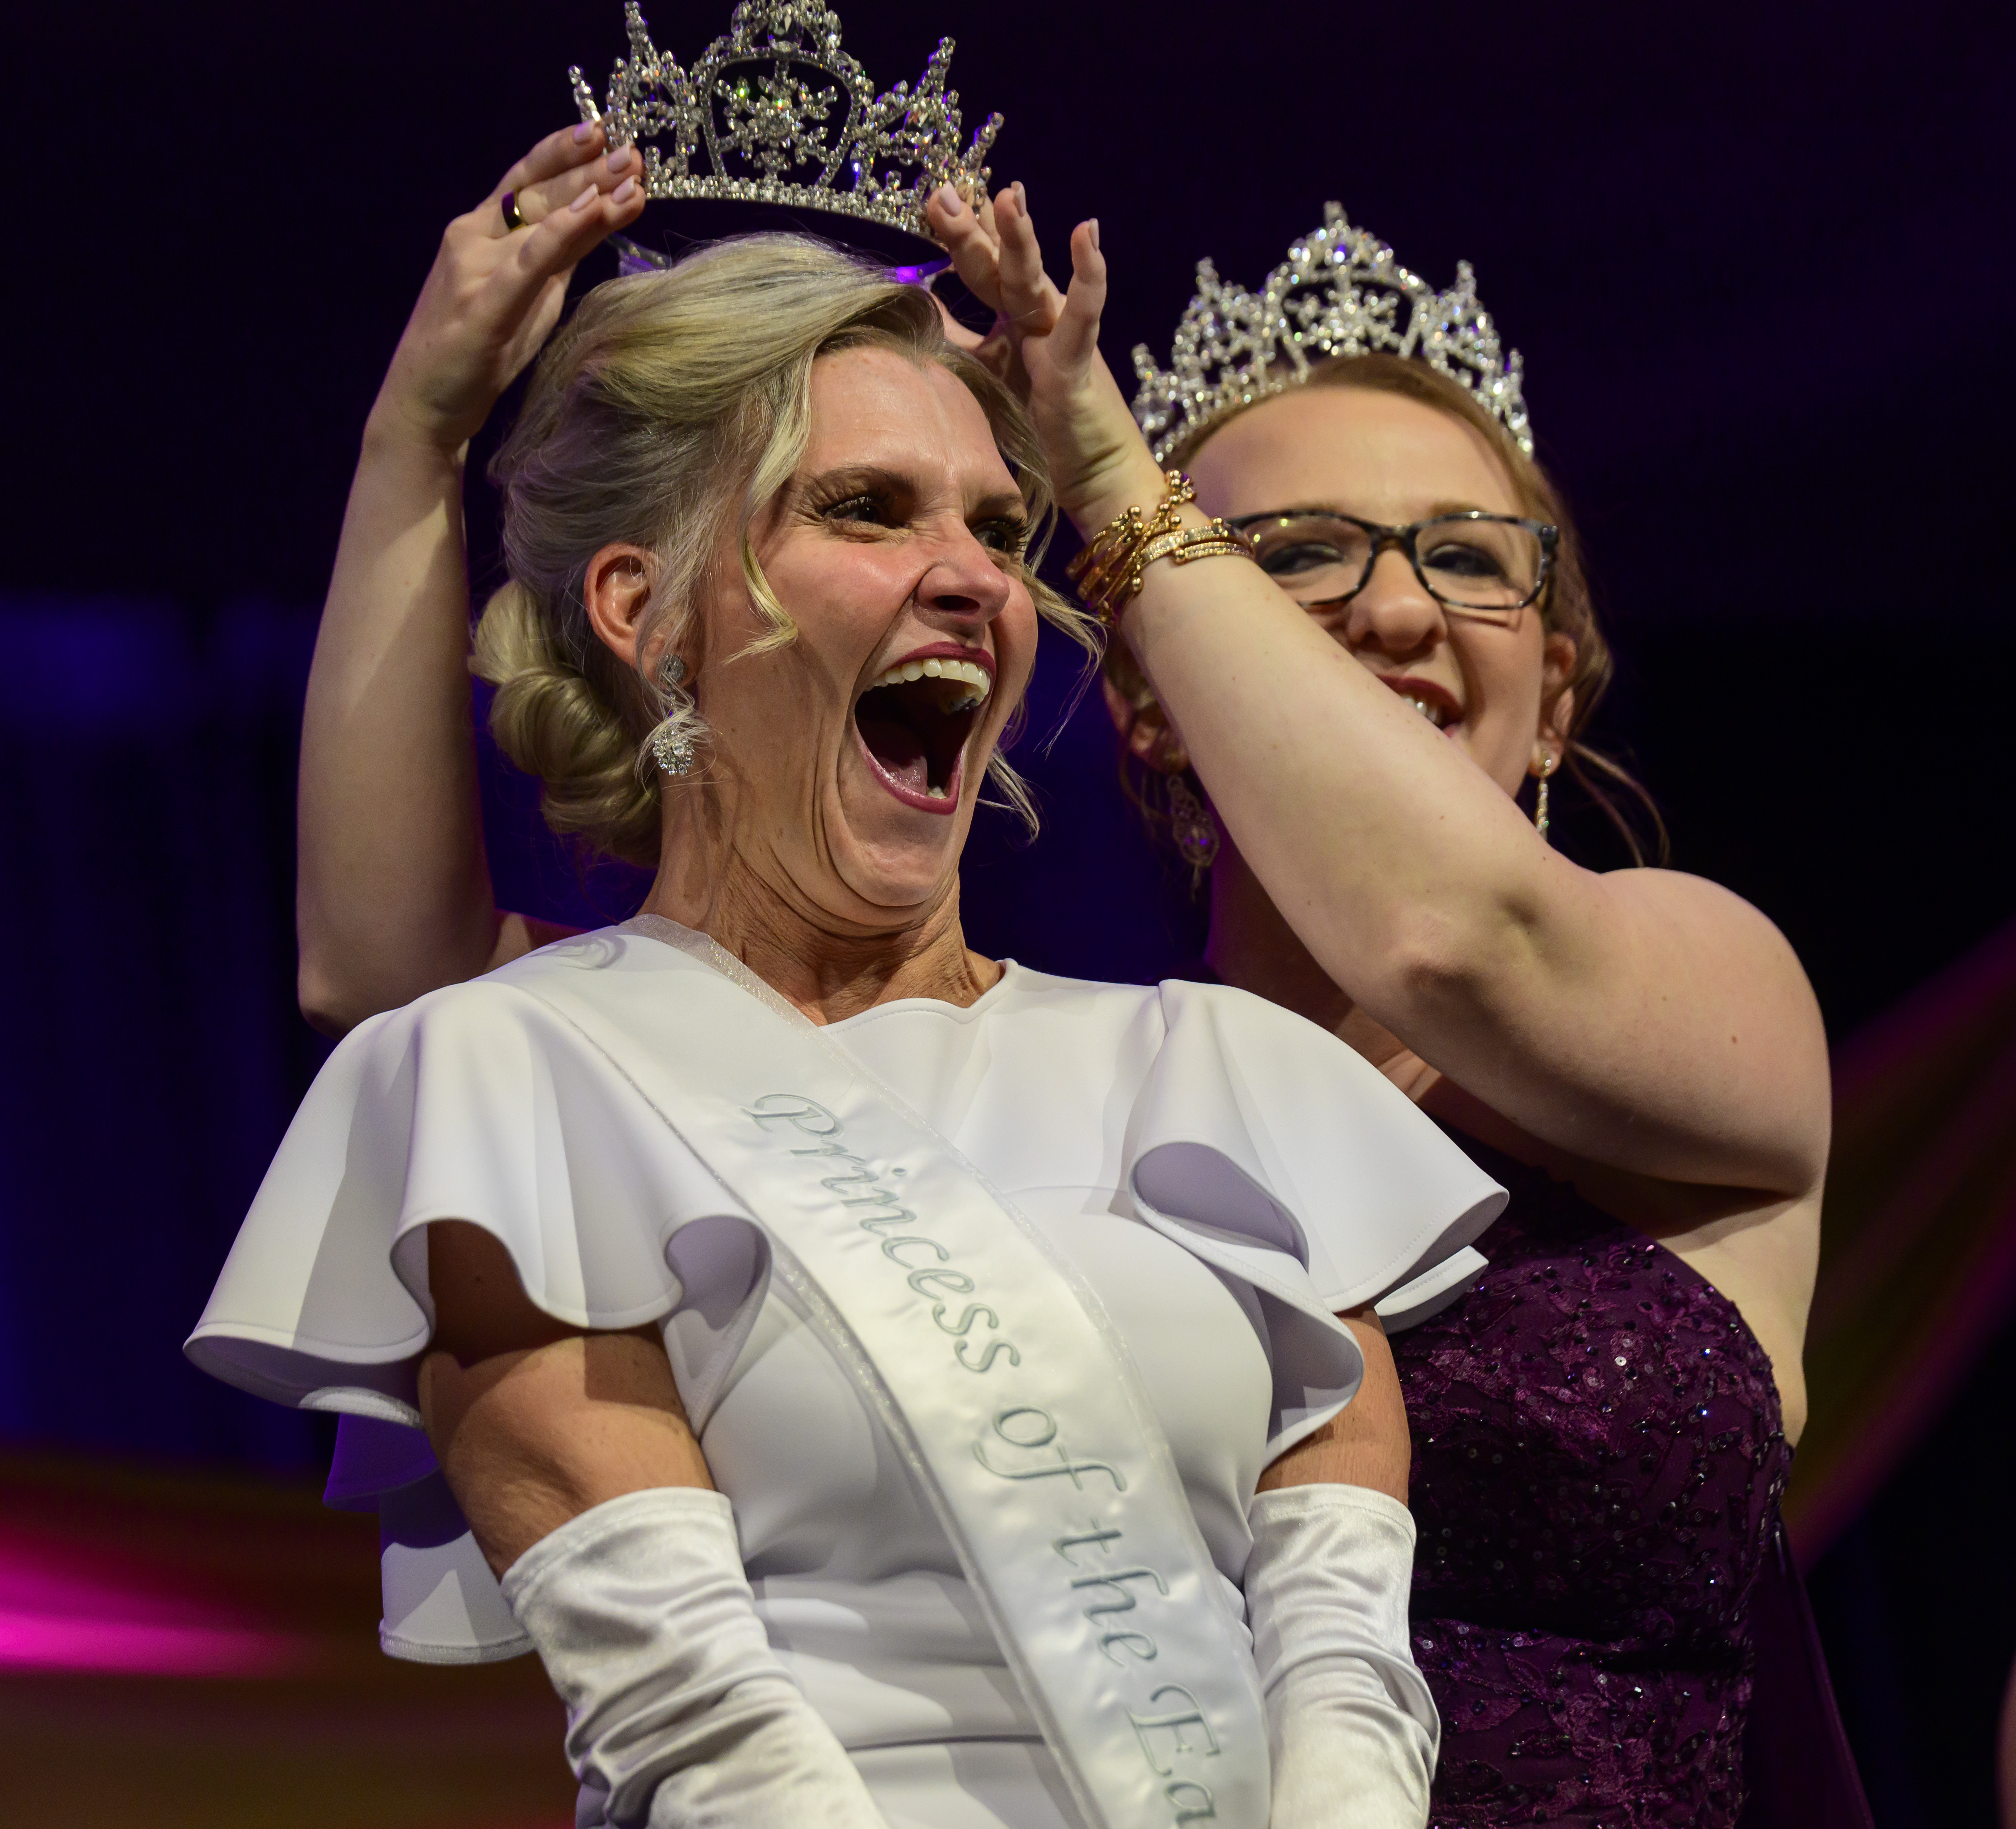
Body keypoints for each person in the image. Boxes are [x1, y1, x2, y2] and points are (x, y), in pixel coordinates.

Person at [188, 125, 1512, 1829]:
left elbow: (1345, 1667)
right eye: (866, 511)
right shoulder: (520, 1090)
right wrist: (419, 433)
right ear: (642, 610)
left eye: (997, 524)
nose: (968, 576)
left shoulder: (1219, 1077)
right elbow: (699, 1730)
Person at [915, 186, 1866, 1826]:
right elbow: (380, 975)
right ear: (1151, 691)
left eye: (1469, 560)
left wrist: (1108, 468)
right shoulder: (1048, 1085)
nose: (1401, 610)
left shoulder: (1716, 992)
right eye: (1296, 555)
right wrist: (417, 451)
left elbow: (1449, 940)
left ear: (1555, 699)